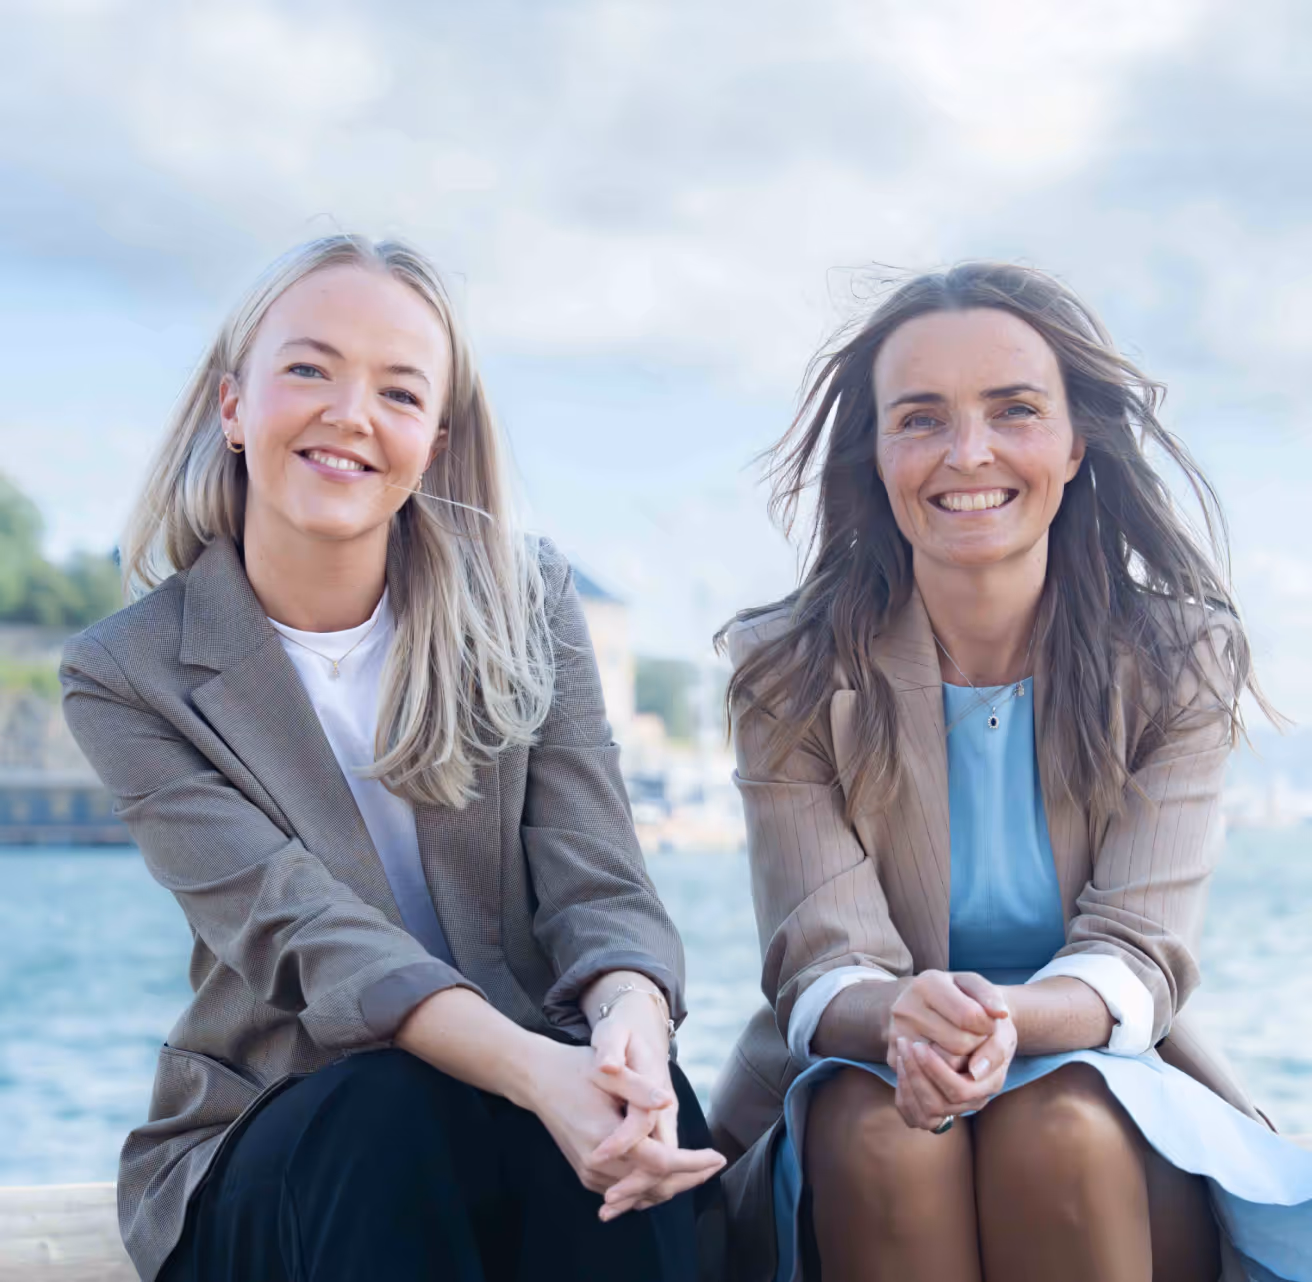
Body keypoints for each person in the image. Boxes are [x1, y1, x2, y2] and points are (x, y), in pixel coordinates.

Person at [60, 235, 725, 1282]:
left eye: (399, 392)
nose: (350, 414)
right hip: (287, 1134)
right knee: (391, 1116)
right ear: (234, 408)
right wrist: (539, 1077)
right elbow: (303, 934)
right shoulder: (127, 670)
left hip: (517, 1097)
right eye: (309, 370)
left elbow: (600, 878)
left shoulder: (529, 605)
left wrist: (627, 1027)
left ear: (435, 440)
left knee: (650, 1113)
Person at [708, 262, 1312, 1282]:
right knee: (880, 1127)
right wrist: (905, 1022)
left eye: (1013, 410)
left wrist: (1005, 1024)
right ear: (878, 455)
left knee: (1057, 1122)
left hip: (1104, 1094)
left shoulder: (1179, 658)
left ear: (1076, 442)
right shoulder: (791, 671)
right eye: (921, 419)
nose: (968, 453)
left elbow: (1139, 950)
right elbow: (821, 958)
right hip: (857, 1086)